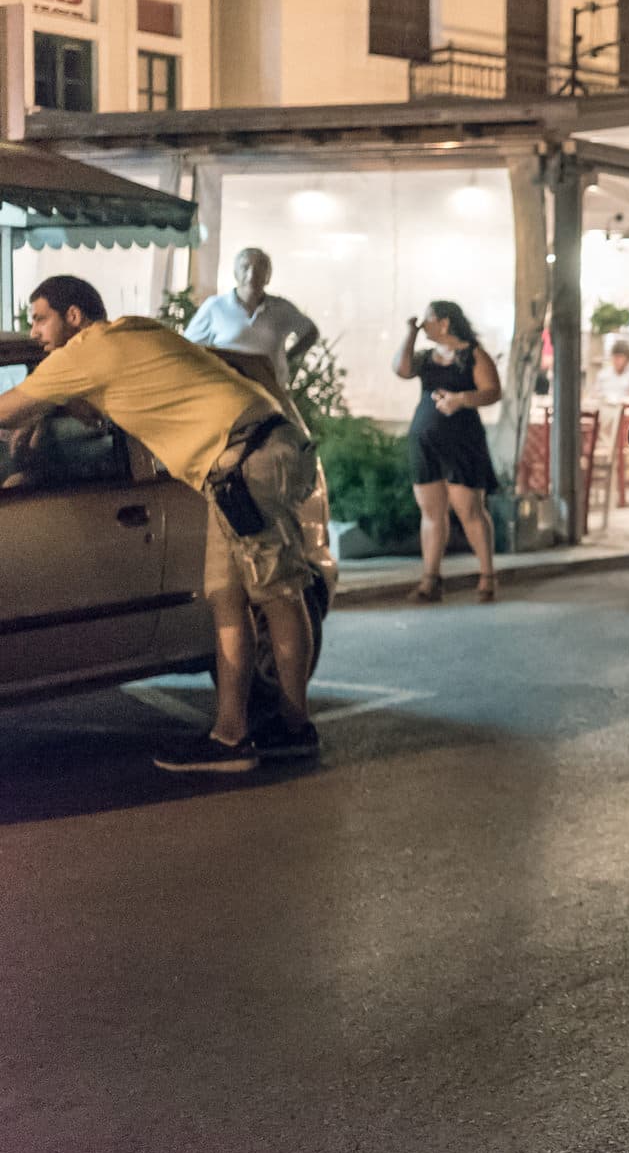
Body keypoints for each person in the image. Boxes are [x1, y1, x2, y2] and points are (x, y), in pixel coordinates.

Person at [0, 276, 320, 772]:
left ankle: (294, 728)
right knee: (225, 595)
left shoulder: (82, 352)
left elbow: (5, 411)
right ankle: (231, 735)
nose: (35, 330)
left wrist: (39, 409)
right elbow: (96, 409)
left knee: (277, 593)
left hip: (246, 461)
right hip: (242, 460)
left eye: (40, 318)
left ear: (74, 317)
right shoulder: (131, 331)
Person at [394, 301, 502, 603]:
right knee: (431, 511)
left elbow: (493, 390)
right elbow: (401, 369)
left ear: (444, 322)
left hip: (462, 442)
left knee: (469, 509)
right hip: (425, 442)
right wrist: (411, 333)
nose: (423, 324)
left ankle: (487, 576)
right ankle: (431, 579)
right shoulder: (426, 357)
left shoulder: (472, 355)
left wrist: (462, 399)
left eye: (427, 319)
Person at [183, 247, 320, 381]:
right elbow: (188, 346)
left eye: (259, 269)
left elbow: (310, 332)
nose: (251, 275)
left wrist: (289, 357)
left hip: (270, 392)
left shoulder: (282, 308)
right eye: (245, 267)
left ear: (268, 276)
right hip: (228, 390)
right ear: (235, 273)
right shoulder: (215, 306)